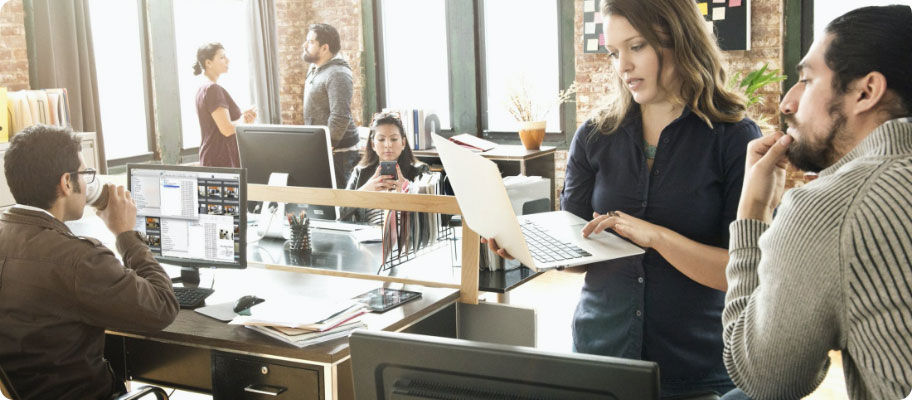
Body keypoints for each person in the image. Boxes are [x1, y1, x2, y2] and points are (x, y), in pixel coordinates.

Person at [485, 0, 761, 396]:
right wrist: (528, 248)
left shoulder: (735, 139)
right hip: (600, 358)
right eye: (614, 53)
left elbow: (739, 272)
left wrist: (656, 237)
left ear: (680, 40)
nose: (622, 66)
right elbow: (578, 253)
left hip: (696, 367)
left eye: (637, 47)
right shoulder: (595, 136)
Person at [721, 5, 912, 400]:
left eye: (807, 80)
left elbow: (764, 377)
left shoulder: (831, 209)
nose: (788, 104)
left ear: (865, 92)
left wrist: (752, 212)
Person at [0, 125, 179, 399]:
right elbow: (162, 306)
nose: (88, 184)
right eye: (85, 174)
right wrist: (125, 234)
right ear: (66, 183)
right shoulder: (78, 260)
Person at [339, 112, 429, 224]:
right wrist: (365, 190)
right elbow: (340, 213)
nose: (388, 145)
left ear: (403, 143)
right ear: (373, 145)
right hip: (368, 237)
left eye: (394, 139)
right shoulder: (360, 172)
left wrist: (408, 190)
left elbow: (432, 216)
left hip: (406, 237)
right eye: (381, 140)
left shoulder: (420, 171)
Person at [301, 23, 360, 189]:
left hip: (340, 153)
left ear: (325, 47)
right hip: (324, 148)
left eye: (310, 42)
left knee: (342, 205)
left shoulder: (338, 74)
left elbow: (340, 116)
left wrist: (325, 146)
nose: (304, 45)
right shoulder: (315, 68)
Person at [194, 42, 256, 168]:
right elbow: (227, 129)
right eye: (222, 57)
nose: (228, 60)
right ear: (208, 63)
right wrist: (244, 119)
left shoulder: (202, 88)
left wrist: (242, 119)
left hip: (212, 157)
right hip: (219, 159)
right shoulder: (213, 89)